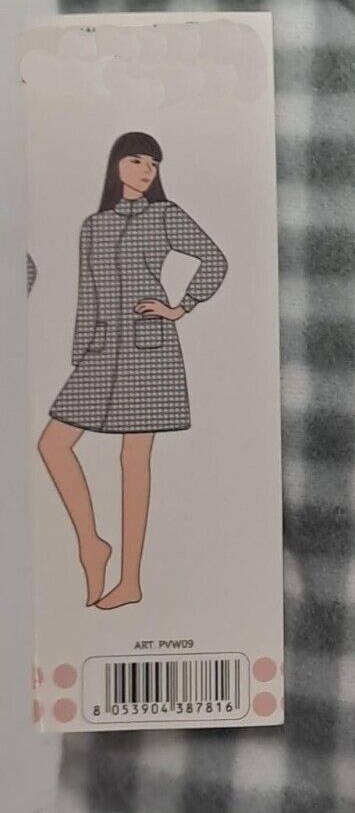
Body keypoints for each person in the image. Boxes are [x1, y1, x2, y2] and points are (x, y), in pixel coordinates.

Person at [36, 131, 228, 609]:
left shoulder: (165, 215)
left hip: (149, 350)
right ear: (116, 163)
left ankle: (130, 581)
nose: (146, 170)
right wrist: (81, 353)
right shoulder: (94, 226)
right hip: (102, 351)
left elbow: (214, 260)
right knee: (53, 444)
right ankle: (91, 544)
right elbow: (87, 293)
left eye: (154, 164)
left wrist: (180, 307)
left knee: (133, 460)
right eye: (137, 160)